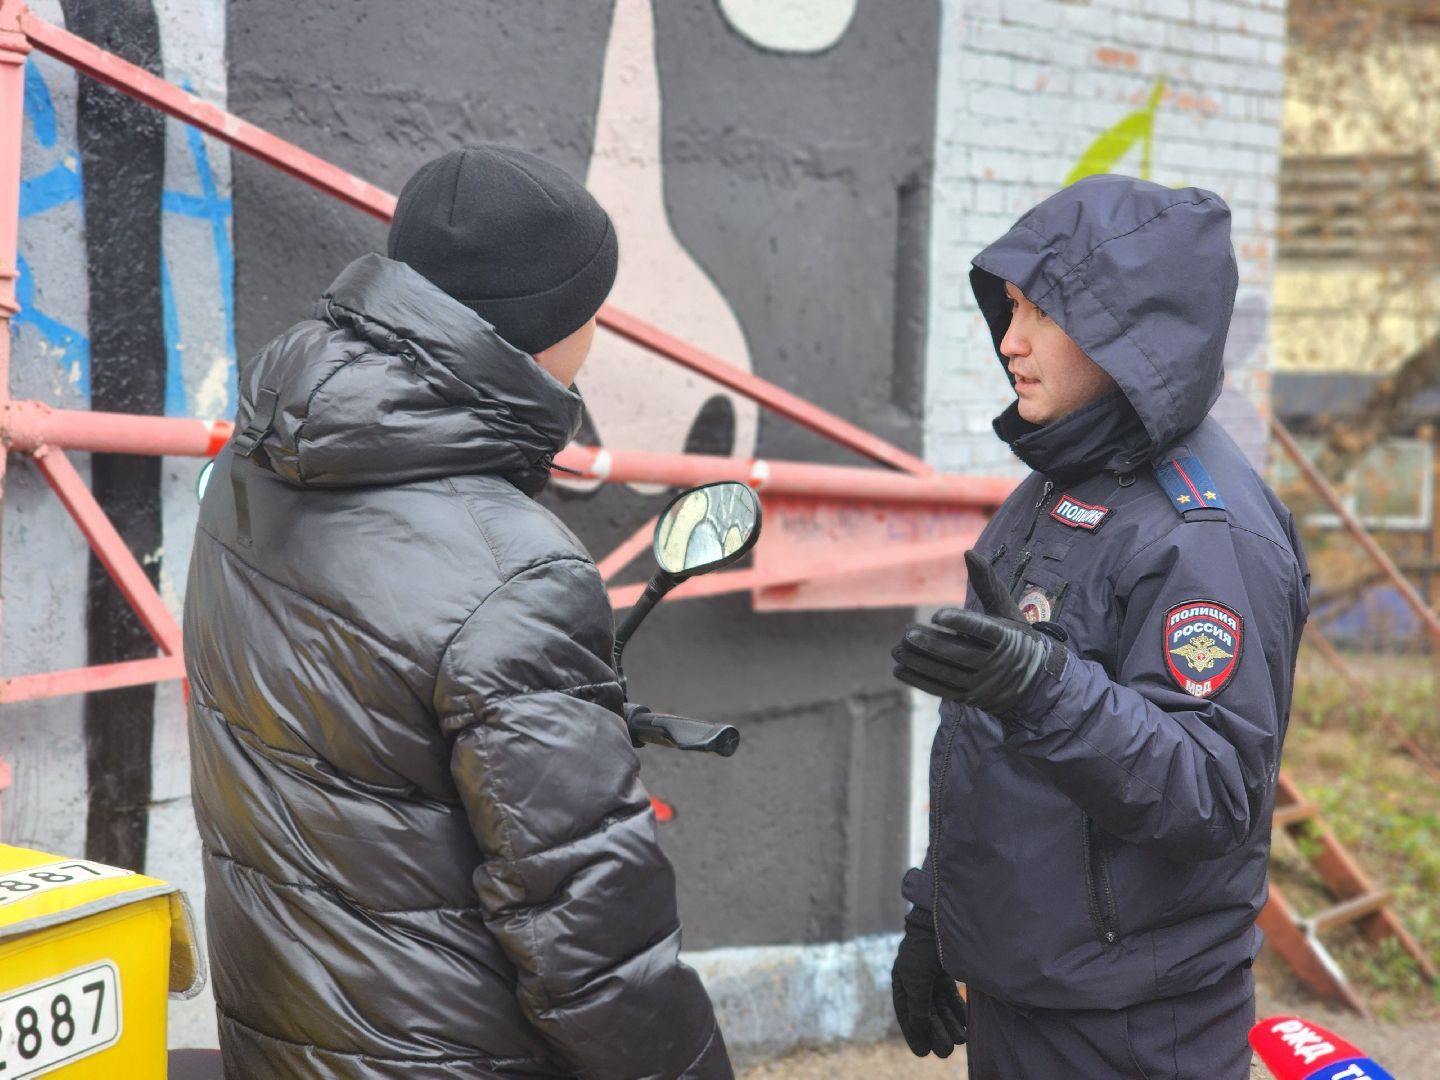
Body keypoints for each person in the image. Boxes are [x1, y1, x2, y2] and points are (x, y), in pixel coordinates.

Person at [184, 145, 731, 1079]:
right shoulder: (517, 570)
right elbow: (588, 935)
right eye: (591, 306)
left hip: (277, 1039)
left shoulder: (252, 463)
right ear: (553, 327)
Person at [890, 175, 1309, 1078]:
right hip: (1026, 991)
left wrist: (1043, 686)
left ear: (1129, 329)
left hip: (1133, 1027)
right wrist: (936, 918)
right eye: (1009, 308)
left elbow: (1214, 791)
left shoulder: (1205, 533)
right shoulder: (1052, 487)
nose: (1011, 341)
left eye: (1042, 311)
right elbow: (980, 743)